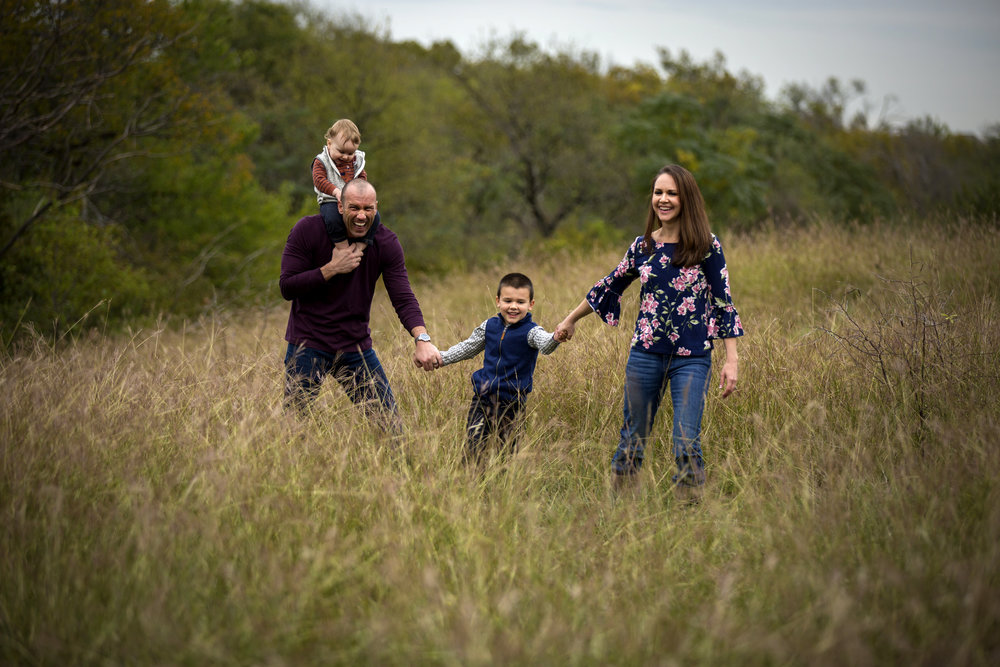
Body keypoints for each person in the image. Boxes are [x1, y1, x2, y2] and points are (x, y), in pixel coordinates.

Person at [555, 164, 743, 498]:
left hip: (693, 359)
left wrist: (732, 359)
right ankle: (621, 511)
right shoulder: (643, 247)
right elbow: (609, 285)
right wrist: (571, 319)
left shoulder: (706, 246)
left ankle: (689, 513)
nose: (664, 199)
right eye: (659, 192)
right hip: (645, 356)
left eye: (672, 193)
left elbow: (722, 301)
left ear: (686, 199)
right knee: (632, 438)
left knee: (687, 439)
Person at [280, 178, 442, 429]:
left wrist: (422, 338)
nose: (361, 216)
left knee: (390, 429)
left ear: (377, 207)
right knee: (293, 429)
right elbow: (287, 287)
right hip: (307, 344)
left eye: (368, 209)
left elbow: (402, 296)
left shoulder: (386, 242)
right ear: (340, 206)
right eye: (354, 208)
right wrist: (332, 268)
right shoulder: (308, 230)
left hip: (355, 348)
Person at [434, 273, 561, 465]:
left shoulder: (532, 332)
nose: (513, 306)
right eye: (507, 300)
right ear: (498, 301)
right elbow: (468, 348)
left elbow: (546, 345)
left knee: (507, 454)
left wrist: (556, 338)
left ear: (531, 304)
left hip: (512, 403)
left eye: (520, 302)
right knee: (474, 448)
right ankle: (474, 484)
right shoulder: (489, 326)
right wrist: (441, 358)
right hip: (482, 398)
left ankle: (503, 487)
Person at [312, 118, 381, 247]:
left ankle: (362, 245)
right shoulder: (321, 161)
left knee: (375, 216)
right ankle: (342, 245)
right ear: (329, 143)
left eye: (350, 153)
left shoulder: (356, 161)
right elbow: (319, 180)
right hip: (330, 200)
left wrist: (362, 192)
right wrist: (336, 191)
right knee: (333, 218)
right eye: (341, 152)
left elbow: (361, 177)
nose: (345, 157)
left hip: (354, 200)